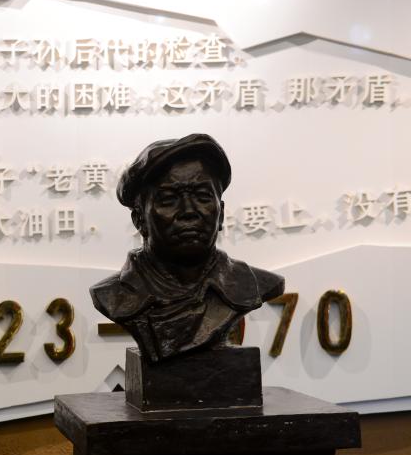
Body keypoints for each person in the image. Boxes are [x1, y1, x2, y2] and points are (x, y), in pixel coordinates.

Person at [91, 133, 284, 363]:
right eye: (169, 199)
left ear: (221, 213)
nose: (189, 211)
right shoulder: (115, 295)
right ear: (139, 219)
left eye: (202, 196)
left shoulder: (250, 284)